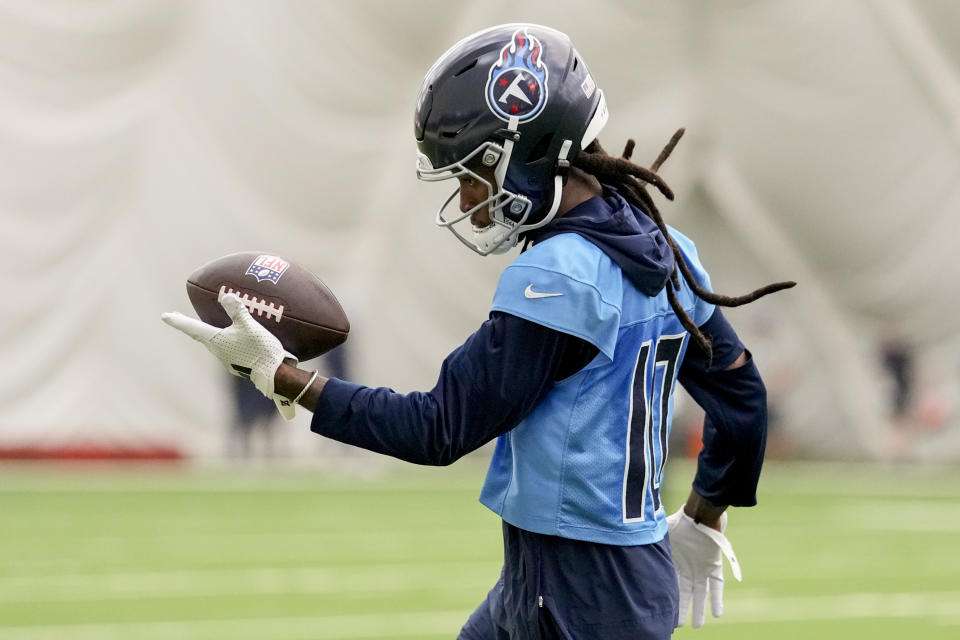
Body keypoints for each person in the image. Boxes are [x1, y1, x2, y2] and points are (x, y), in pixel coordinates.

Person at [162, 23, 793, 639]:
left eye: (471, 174)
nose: (467, 200)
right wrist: (705, 513)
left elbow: (437, 429)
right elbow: (742, 400)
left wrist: (283, 377)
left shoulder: (560, 275)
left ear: (525, 156)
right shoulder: (666, 247)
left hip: (575, 590)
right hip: (597, 574)